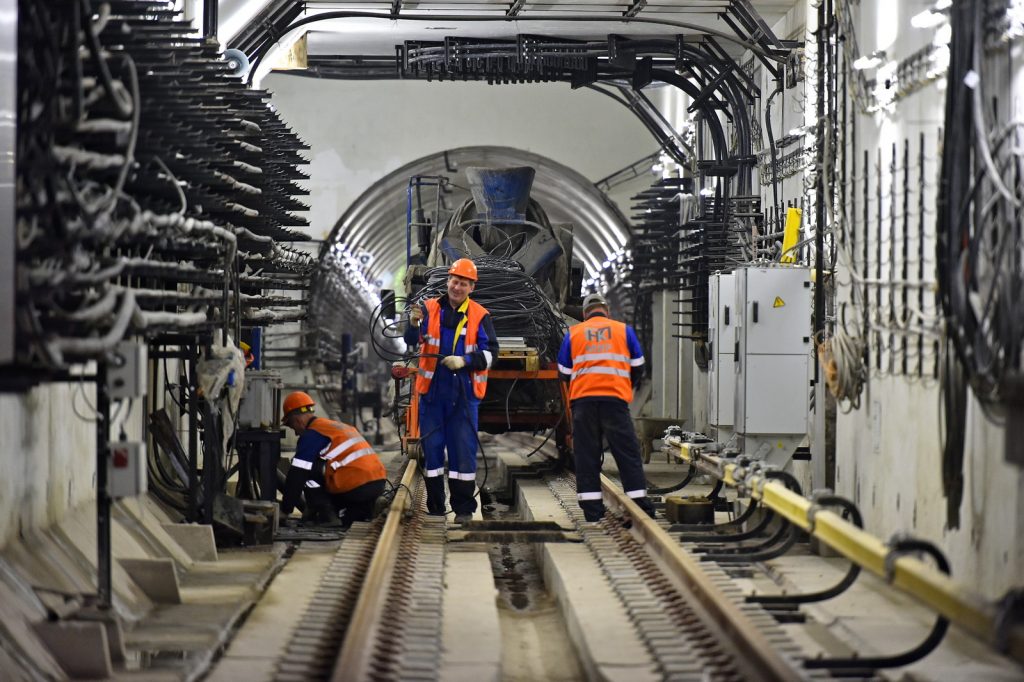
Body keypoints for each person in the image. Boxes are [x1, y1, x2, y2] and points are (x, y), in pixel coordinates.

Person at [404, 258, 497, 524]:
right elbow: (411, 341)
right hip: (432, 396)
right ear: (448, 282)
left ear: (471, 288)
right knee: (432, 453)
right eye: (455, 281)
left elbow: (492, 354)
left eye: (464, 283)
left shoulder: (480, 316)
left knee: (462, 452)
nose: (458, 287)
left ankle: (464, 510)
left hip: (464, 397)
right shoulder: (429, 308)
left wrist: (466, 361)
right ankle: (435, 509)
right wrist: (412, 324)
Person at [557, 292, 656, 522]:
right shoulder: (624, 331)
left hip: (583, 403)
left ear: (584, 315)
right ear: (607, 311)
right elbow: (639, 366)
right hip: (615, 401)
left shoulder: (574, 333)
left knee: (586, 454)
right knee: (627, 453)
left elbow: (563, 372)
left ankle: (592, 512)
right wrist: (624, 385)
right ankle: (639, 504)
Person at [279, 391, 387, 527]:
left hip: (356, 487)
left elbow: (297, 475)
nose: (295, 432)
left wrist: (285, 510)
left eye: (291, 426)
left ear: (297, 420)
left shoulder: (312, 434)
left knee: (305, 469)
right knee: (350, 518)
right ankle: (367, 509)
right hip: (377, 483)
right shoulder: (335, 426)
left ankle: (326, 516)